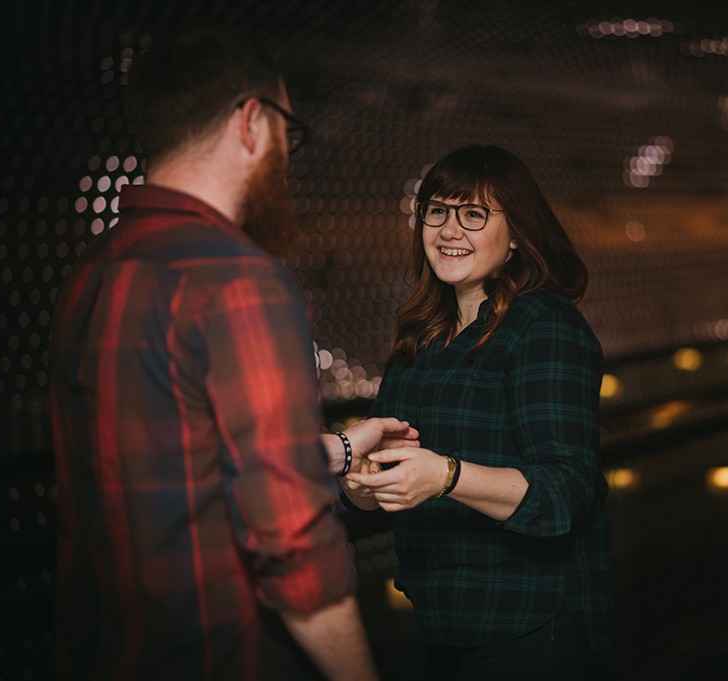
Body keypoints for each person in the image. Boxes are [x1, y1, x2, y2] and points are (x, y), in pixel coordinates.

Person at [48, 26, 417, 680]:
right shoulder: (240, 282)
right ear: (250, 122)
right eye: (286, 133)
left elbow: (185, 457)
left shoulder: (94, 271)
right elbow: (293, 545)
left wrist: (343, 447)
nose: (285, 155)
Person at [340, 145, 613, 680]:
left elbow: (565, 491)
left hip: (530, 625)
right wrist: (361, 484)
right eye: (437, 211)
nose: (448, 230)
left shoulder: (544, 325)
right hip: (443, 620)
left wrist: (445, 476)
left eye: (474, 214)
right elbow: (379, 484)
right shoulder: (421, 336)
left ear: (516, 234)